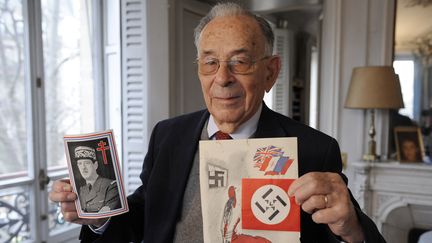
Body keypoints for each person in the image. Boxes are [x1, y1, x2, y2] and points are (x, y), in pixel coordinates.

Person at [50, 3, 385, 242]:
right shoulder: (167, 135)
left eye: (239, 62)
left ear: (270, 72)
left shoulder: (314, 149)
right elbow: (143, 220)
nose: (222, 79)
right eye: (210, 63)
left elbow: (346, 233)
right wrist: (100, 218)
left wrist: (353, 228)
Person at [73, 146, 120, 213]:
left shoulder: (111, 186)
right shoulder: (82, 190)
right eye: (80, 164)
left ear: (95, 165)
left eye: (87, 163)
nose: (83, 168)